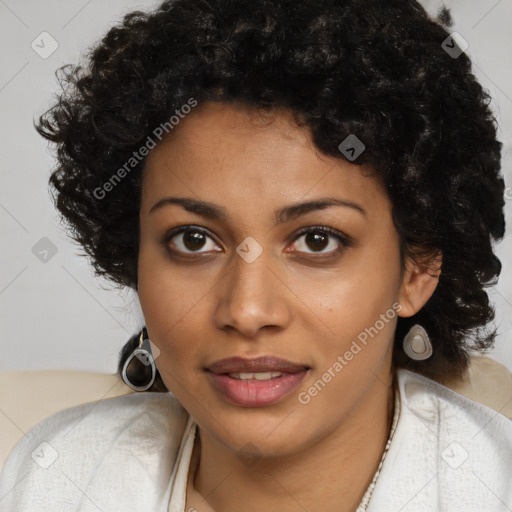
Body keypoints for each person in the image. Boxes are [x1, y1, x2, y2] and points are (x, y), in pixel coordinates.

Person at [1, 0, 511, 510]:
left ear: (416, 270)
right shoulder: (53, 478)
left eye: (317, 240)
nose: (246, 311)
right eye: (193, 240)